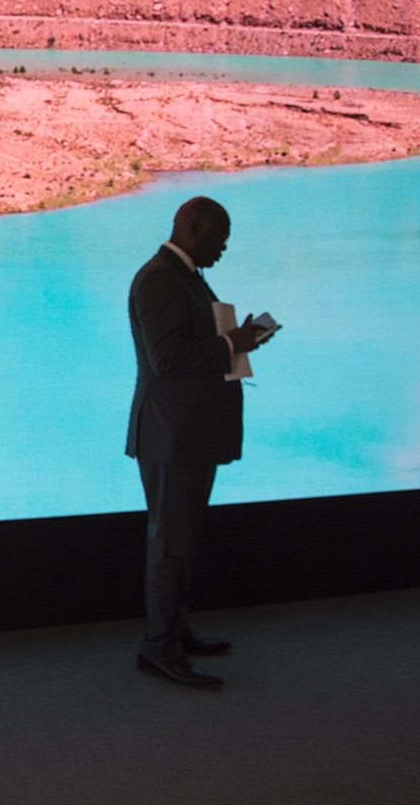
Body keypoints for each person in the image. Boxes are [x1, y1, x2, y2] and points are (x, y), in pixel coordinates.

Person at [126, 196, 273, 688]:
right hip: (172, 435)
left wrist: (237, 336)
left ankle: (174, 630)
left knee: (182, 539)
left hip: (188, 433)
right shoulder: (158, 279)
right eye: (218, 237)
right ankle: (160, 647)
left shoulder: (183, 274)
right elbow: (167, 359)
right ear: (191, 227)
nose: (223, 248)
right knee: (170, 542)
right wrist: (235, 344)